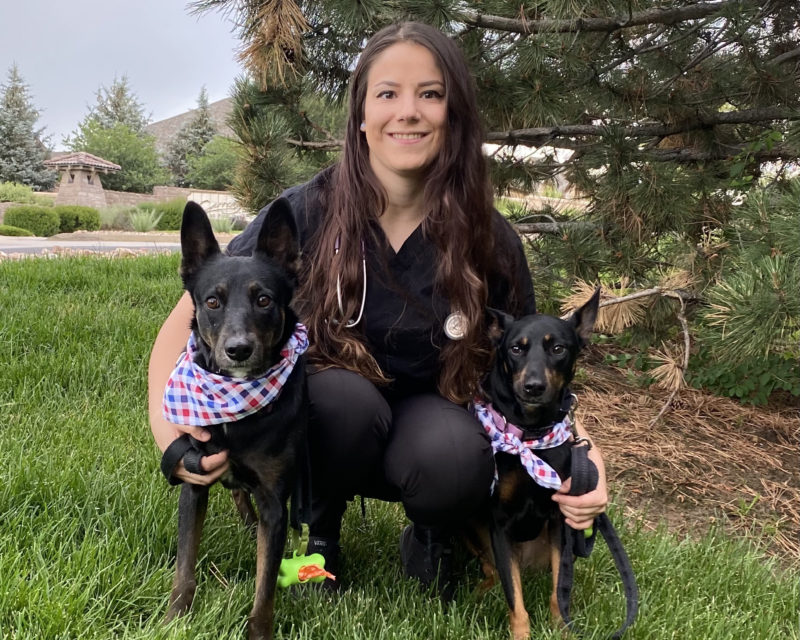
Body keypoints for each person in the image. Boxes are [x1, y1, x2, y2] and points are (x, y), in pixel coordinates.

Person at [148, 21, 607, 598]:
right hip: (333, 421)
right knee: (338, 399)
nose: (408, 112)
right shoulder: (306, 211)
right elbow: (180, 326)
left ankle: (432, 534)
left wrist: (585, 456)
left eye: (431, 94)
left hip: (432, 416)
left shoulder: (489, 239)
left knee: (456, 458)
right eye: (387, 93)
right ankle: (320, 546)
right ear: (361, 114)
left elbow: (540, 353)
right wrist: (172, 438)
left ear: (453, 114)